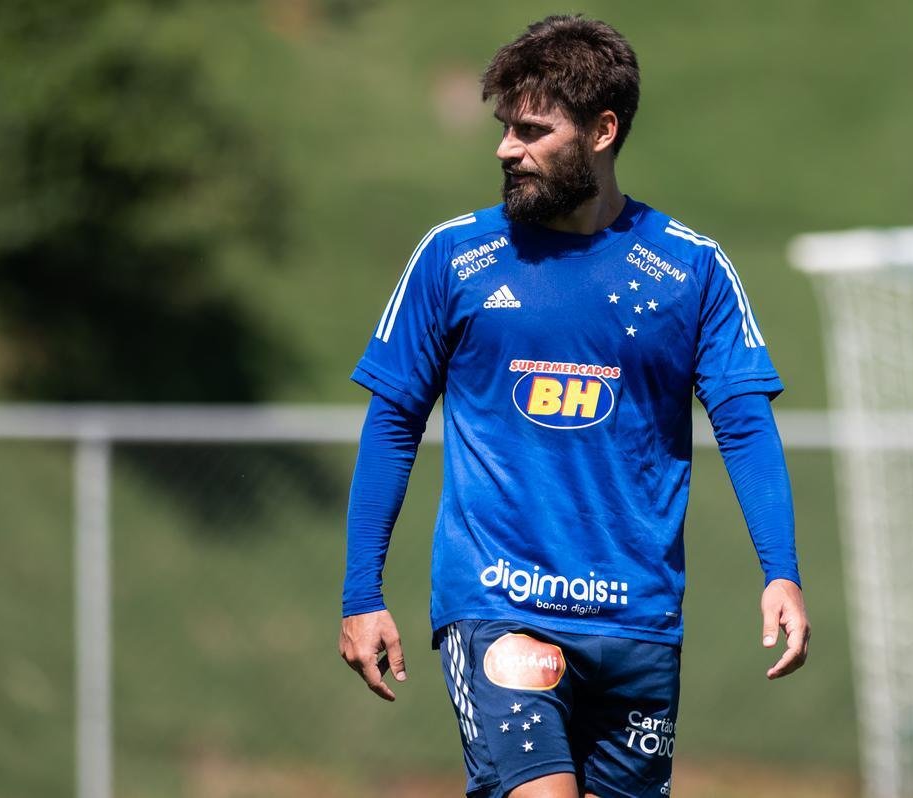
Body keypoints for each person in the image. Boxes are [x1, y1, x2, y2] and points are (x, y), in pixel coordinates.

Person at [339, 15, 808, 798]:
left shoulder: (690, 269)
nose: (506, 149)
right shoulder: (455, 257)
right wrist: (362, 593)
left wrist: (781, 572)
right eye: (504, 127)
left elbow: (745, 425)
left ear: (602, 130)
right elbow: (392, 423)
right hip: (500, 605)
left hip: (638, 621)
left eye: (532, 130)